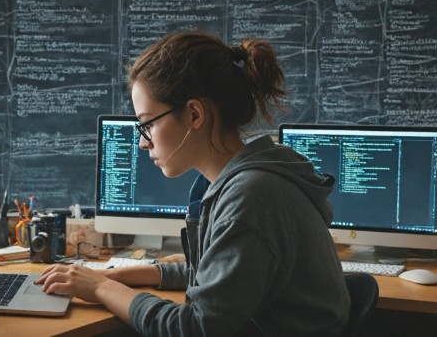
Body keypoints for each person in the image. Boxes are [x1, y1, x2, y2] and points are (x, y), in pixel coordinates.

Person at [36, 31, 350, 336]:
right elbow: (219, 277)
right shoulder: (241, 176)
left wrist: (103, 287)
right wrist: (119, 275)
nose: (143, 143)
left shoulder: (251, 196)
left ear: (194, 115)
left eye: (148, 124)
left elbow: (195, 327)